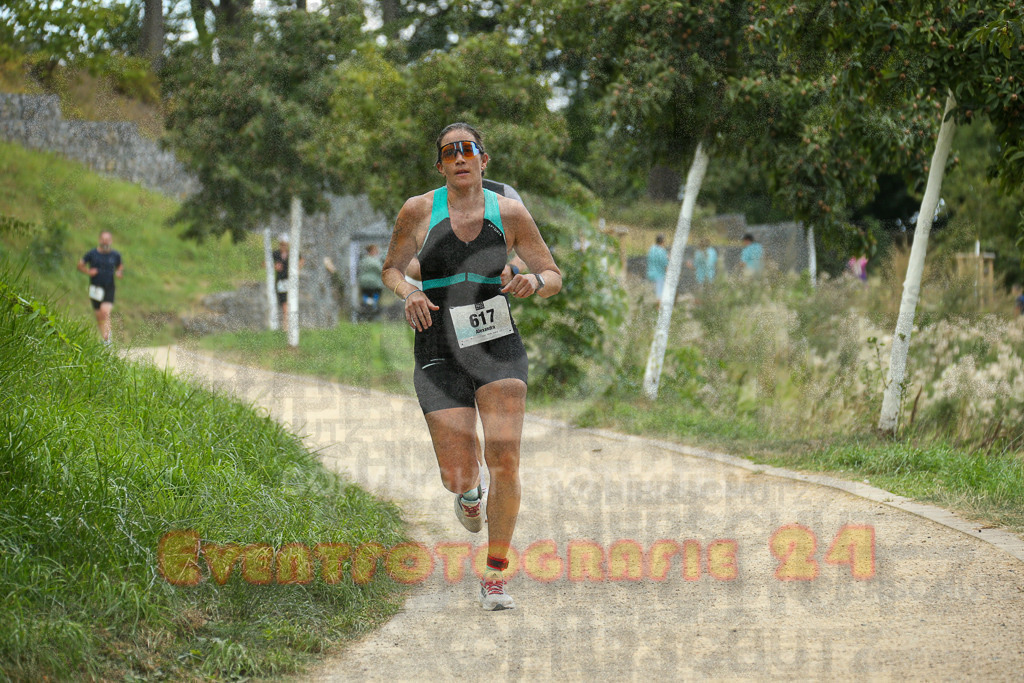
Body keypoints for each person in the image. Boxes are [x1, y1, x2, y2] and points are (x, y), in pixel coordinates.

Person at [381, 122, 562, 611]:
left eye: (469, 149)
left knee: (505, 459)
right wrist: (411, 292)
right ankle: (468, 493)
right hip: (437, 340)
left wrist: (534, 282)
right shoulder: (418, 210)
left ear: (485, 159)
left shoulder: (510, 212)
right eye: (449, 152)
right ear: (440, 165)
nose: (460, 157)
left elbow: (552, 272)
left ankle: (497, 575)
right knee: (458, 473)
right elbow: (392, 268)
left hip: (495, 340)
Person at [77, 230, 123, 344]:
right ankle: (105, 340)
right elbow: (80, 265)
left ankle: (108, 341)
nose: (105, 242)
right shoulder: (92, 254)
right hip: (95, 289)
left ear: (111, 241)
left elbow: (120, 266)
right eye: (103, 239)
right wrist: (88, 271)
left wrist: (119, 272)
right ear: (99, 240)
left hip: (109, 288)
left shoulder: (115, 255)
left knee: (105, 312)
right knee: (99, 317)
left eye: (107, 240)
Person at [268, 234, 304, 323]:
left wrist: (298, 268)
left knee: (288, 302)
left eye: (285, 244)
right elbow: (265, 263)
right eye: (282, 244)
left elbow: (302, 260)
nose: (283, 246)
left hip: (290, 280)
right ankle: (286, 323)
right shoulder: (276, 253)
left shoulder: (292, 253)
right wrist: (274, 266)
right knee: (284, 302)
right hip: (281, 280)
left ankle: (287, 323)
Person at [357, 244, 384, 316]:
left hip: (364, 283)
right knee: (376, 296)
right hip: (375, 284)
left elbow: (359, 270)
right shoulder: (376, 261)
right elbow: (381, 270)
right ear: (372, 251)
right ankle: (373, 309)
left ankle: (367, 306)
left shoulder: (363, 260)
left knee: (365, 296)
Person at [647, 234, 669, 301]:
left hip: (650, 274)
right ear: (663, 241)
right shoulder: (662, 251)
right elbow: (665, 266)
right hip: (659, 276)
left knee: (655, 294)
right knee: (660, 296)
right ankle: (659, 310)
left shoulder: (652, 248)